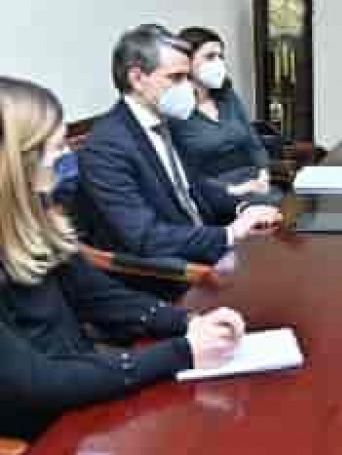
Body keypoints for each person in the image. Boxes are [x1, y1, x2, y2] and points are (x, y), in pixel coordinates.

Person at [0, 76, 246, 440]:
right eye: (55, 148)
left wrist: (188, 322)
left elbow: (98, 297)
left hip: (83, 391)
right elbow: (38, 382)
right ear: (15, 162)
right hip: (42, 427)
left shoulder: (34, 219)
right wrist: (182, 352)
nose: (65, 157)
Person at [77, 25, 281, 276]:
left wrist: (242, 208)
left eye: (187, 76)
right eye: (176, 78)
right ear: (137, 79)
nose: (188, 87)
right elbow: (145, 237)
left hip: (206, 245)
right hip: (173, 272)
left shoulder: (164, 121)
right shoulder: (106, 146)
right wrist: (229, 234)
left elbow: (193, 188)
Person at [171, 26, 280, 205]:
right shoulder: (175, 109)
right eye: (210, 57)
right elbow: (182, 171)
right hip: (214, 191)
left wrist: (263, 174)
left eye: (220, 57)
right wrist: (233, 189)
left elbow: (252, 142)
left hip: (253, 180)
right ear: (186, 62)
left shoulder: (227, 96)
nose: (218, 63)